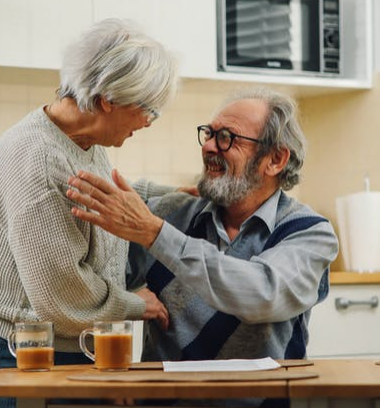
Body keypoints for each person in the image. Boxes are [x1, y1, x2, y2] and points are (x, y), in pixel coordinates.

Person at [0, 18, 178, 408]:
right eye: (148, 109)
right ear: (108, 98)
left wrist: (178, 194)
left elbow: (102, 194)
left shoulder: (84, 140)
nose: (148, 122)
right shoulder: (38, 160)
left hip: (55, 342)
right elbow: (63, 297)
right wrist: (136, 305)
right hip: (4, 350)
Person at [67, 87, 339, 407]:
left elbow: (261, 294)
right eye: (209, 134)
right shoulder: (169, 213)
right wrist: (126, 301)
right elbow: (93, 280)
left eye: (227, 137)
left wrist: (156, 234)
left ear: (275, 159)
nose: (210, 146)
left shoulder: (309, 233)